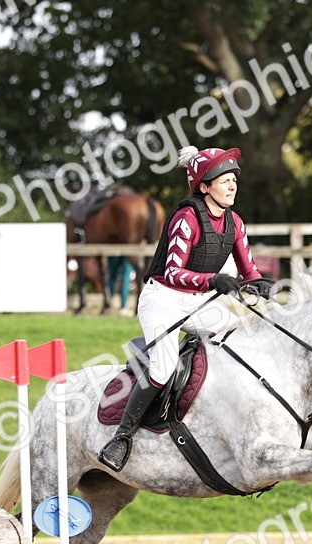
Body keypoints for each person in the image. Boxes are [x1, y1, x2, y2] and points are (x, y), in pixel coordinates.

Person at [96, 145, 272, 471]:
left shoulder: (235, 222)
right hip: (161, 300)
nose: (233, 185)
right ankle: (121, 437)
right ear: (204, 186)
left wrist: (259, 283)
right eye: (224, 180)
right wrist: (213, 280)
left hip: (196, 301)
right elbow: (174, 272)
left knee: (239, 335)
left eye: (234, 179)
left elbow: (249, 270)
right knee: (162, 369)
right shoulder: (186, 217)